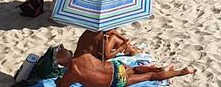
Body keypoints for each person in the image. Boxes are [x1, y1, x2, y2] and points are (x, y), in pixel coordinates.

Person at [54, 46, 195, 87]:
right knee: (133, 69)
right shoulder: (85, 56)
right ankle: (158, 68)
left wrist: (58, 82)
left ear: (62, 64)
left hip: (115, 81)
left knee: (150, 78)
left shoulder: (69, 74)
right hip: (116, 66)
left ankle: (181, 72)